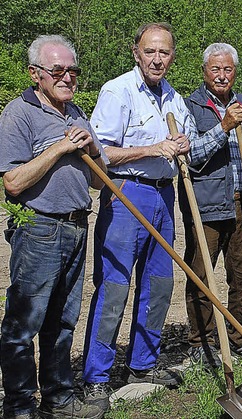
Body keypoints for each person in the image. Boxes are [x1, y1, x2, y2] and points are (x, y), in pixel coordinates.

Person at [82, 23, 218, 411]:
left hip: (165, 196)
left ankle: (143, 364)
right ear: (136, 52)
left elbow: (185, 145)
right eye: (150, 51)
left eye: (165, 52)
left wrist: (183, 144)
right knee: (115, 288)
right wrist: (152, 148)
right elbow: (100, 152)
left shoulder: (174, 98)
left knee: (158, 285)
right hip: (127, 194)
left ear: (173, 56)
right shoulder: (117, 91)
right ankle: (97, 377)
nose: (157, 59)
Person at [0, 35, 107, 419]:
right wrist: (59, 149)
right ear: (35, 74)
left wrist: (92, 149)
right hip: (40, 230)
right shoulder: (19, 113)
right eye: (57, 70)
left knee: (62, 322)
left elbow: (99, 180)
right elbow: (12, 181)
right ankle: (18, 406)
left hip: (78, 227)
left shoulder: (77, 113)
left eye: (72, 71)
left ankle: (58, 401)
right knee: (24, 322)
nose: (67, 77)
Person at [179, 42, 242, 369]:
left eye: (227, 69)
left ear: (235, 72)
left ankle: (239, 335)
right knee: (203, 277)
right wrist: (223, 128)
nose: (221, 75)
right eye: (215, 69)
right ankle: (201, 343)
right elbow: (190, 157)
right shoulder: (190, 106)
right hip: (206, 205)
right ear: (204, 71)